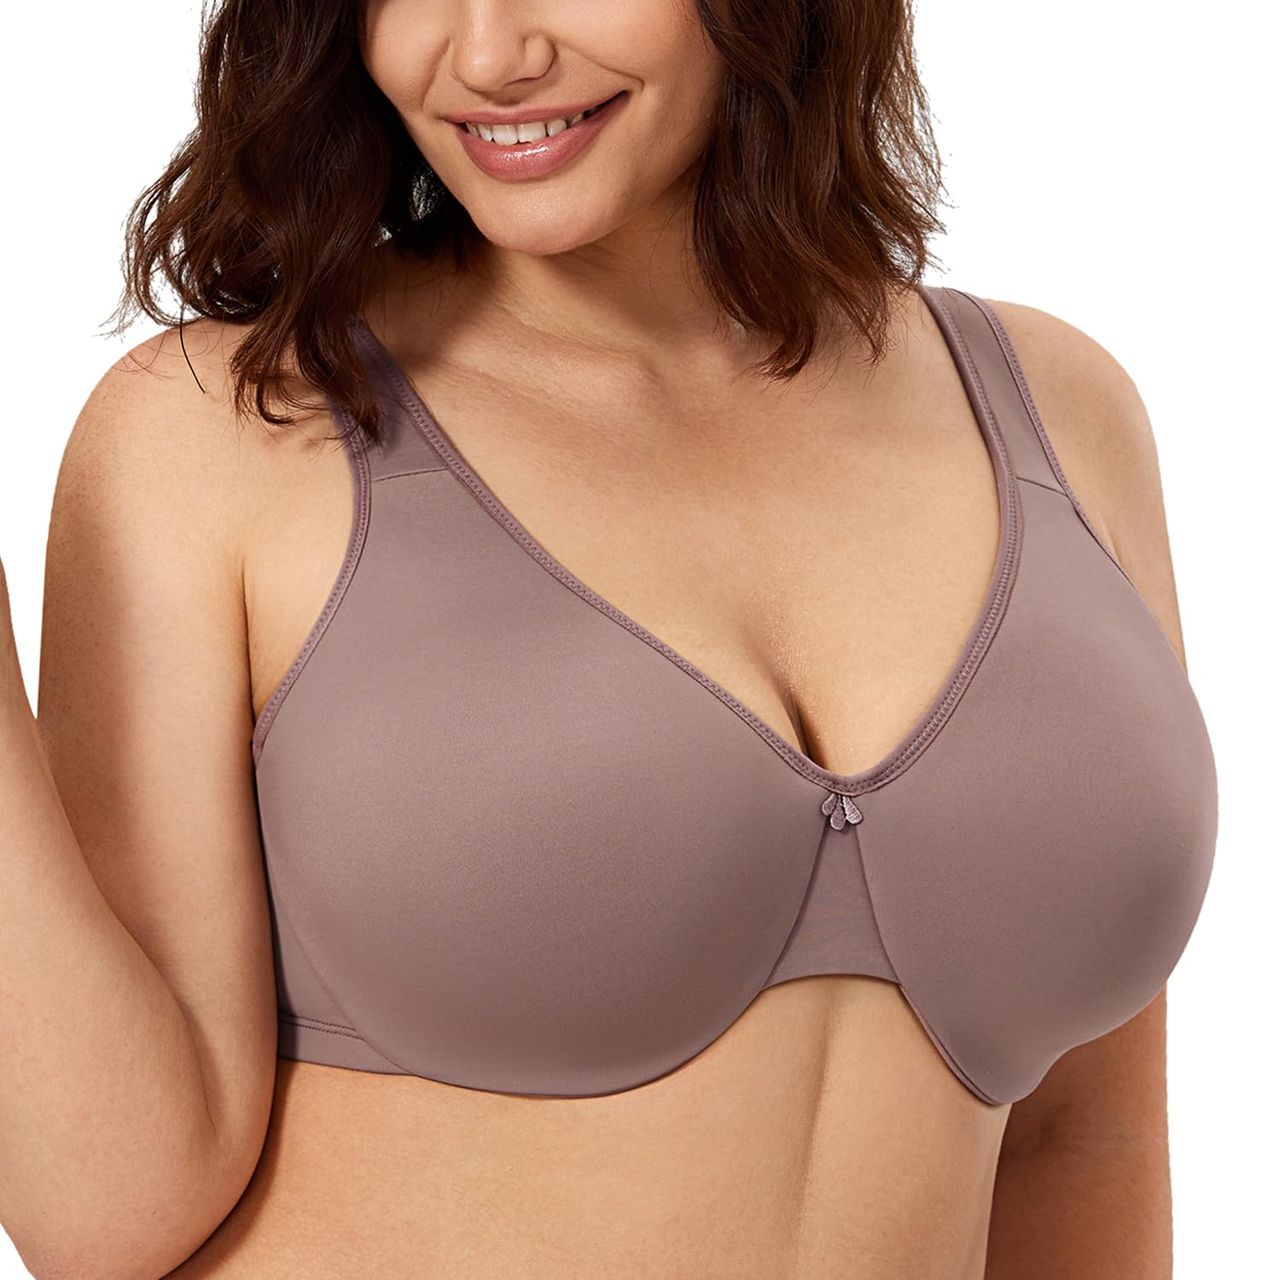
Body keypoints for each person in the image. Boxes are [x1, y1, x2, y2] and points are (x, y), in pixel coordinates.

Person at [0, 1, 1218, 1276]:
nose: (485, 56)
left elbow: (1082, 1141)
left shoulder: (1055, 412)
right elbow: (106, 1210)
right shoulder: (229, 428)